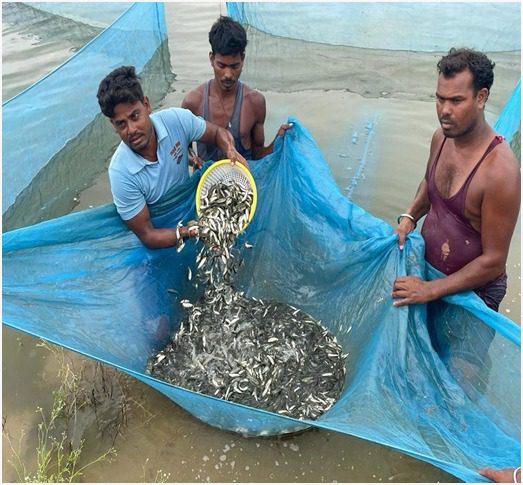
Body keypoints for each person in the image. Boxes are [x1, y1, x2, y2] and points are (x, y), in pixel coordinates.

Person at [392, 47, 520, 311]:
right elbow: (429, 185)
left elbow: (494, 261)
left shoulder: (500, 172)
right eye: (440, 99)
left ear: (481, 97)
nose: (444, 110)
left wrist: (430, 290)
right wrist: (409, 217)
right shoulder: (441, 138)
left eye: (456, 101)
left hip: (474, 295)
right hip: (430, 275)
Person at [97, 65, 247, 249]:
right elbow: (148, 236)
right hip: (161, 237)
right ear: (113, 126)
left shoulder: (176, 120)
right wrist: (191, 231)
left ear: (146, 105)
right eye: (121, 124)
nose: (132, 130)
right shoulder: (121, 172)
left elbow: (217, 133)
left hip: (190, 210)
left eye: (135, 116)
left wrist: (230, 148)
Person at [181, 15, 292, 166]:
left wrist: (278, 141)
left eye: (235, 66)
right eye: (221, 65)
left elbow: (258, 156)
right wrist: (193, 160)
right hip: (206, 180)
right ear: (211, 59)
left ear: (243, 60)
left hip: (243, 179)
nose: (228, 74)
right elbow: (183, 149)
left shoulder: (255, 103)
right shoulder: (193, 102)